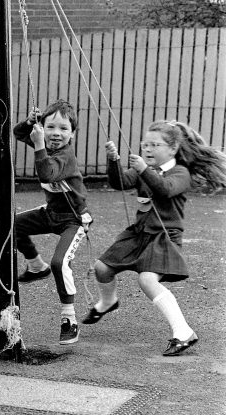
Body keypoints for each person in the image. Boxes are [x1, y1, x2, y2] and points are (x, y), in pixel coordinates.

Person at [82, 120, 226, 356]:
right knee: (102, 268)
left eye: (155, 145)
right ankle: (108, 302)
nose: (148, 149)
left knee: (147, 280)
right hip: (139, 232)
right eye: (145, 144)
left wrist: (142, 170)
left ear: (173, 148)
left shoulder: (180, 173)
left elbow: (165, 189)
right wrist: (113, 160)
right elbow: (119, 182)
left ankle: (183, 331)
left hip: (164, 236)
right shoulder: (145, 169)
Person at [12, 99, 93, 345]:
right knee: (12, 225)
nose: (56, 133)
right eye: (50, 127)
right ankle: (37, 266)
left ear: (72, 133)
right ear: (43, 128)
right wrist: (29, 123)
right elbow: (19, 133)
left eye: (64, 128)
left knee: (60, 263)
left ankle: (69, 320)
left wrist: (38, 143)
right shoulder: (44, 143)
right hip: (51, 213)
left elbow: (47, 173)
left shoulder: (65, 155)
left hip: (74, 220)